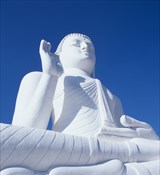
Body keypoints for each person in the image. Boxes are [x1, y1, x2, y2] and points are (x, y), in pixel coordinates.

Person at [12, 33, 158, 141]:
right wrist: (49, 76)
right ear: (59, 55)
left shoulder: (113, 97)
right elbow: (23, 134)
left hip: (116, 151)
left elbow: (123, 136)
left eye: (91, 47)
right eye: (76, 44)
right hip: (70, 146)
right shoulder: (39, 78)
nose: (85, 47)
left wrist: (147, 138)